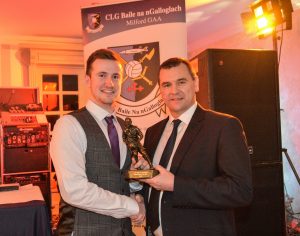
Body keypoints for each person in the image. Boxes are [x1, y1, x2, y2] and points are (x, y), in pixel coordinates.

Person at [141, 57, 253, 236]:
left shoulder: (223, 126)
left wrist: (176, 184)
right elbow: (155, 185)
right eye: (166, 85)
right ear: (160, 91)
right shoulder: (153, 133)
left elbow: (240, 190)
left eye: (181, 82)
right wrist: (140, 194)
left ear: (196, 83)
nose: (174, 91)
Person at [50, 49, 148, 236]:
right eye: (102, 75)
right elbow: (75, 190)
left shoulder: (124, 127)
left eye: (115, 76)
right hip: (83, 230)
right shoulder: (68, 125)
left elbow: (119, 179)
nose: (109, 83)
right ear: (88, 80)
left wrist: (135, 180)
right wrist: (132, 206)